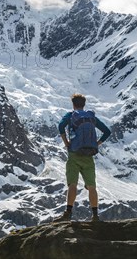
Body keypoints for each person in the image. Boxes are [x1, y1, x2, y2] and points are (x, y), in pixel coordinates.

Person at [53, 93, 111, 223]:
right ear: (84, 105)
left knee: (72, 184)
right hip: (88, 155)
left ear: (73, 104)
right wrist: (97, 143)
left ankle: (68, 213)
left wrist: (66, 142)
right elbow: (107, 131)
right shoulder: (91, 117)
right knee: (92, 186)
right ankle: (95, 216)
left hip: (74, 154)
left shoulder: (71, 115)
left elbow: (61, 126)